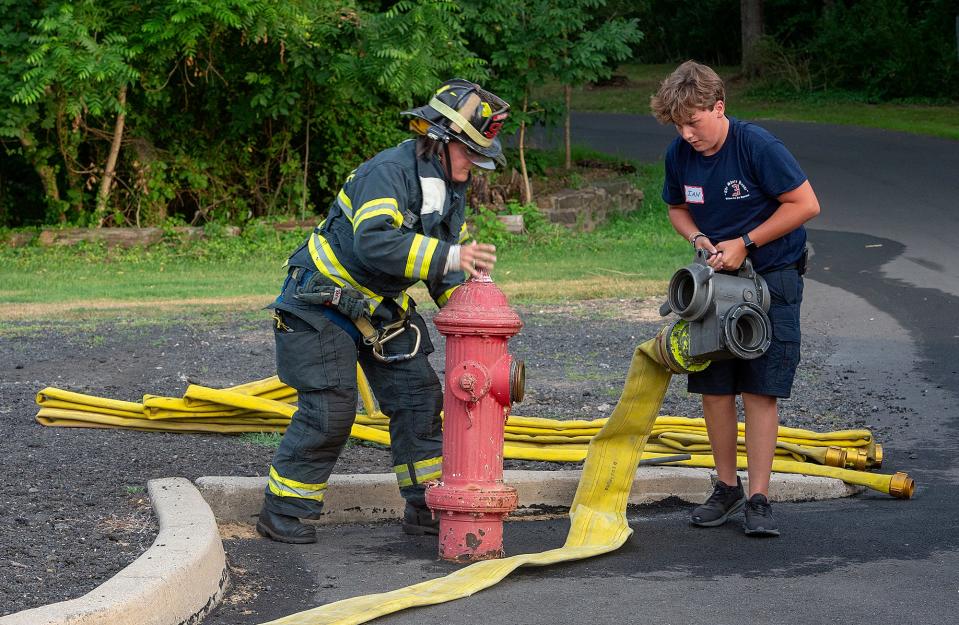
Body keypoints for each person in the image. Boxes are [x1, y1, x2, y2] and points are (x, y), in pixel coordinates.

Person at [256, 79, 510, 544]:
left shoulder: (449, 187)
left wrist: (469, 321)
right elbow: (373, 242)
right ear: (440, 140)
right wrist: (452, 258)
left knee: (418, 398)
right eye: (470, 153)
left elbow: (443, 264)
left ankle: (425, 505)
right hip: (318, 304)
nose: (475, 165)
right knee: (330, 408)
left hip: (380, 309)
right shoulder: (388, 172)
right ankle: (282, 511)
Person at [650, 61, 820, 536]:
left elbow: (806, 204)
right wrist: (699, 237)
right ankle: (727, 489)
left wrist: (747, 241)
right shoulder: (679, 154)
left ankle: (760, 498)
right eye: (678, 125)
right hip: (715, 286)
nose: (686, 134)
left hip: (772, 278)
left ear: (718, 107)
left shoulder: (757, 146)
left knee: (760, 388)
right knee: (716, 389)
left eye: (693, 122)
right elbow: (676, 207)